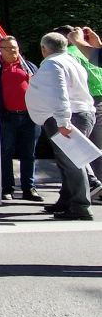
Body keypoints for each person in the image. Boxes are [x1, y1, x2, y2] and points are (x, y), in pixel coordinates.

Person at [26, 33, 96, 220]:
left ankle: (80, 206)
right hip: (80, 113)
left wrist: (63, 122)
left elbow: (59, 93)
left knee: (72, 162)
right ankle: (67, 201)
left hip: (67, 117)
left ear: (44, 48)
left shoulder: (52, 64)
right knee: (67, 162)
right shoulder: (72, 60)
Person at [0, 36, 42, 202]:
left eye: (14, 47)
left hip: (30, 117)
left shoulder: (29, 66)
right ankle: (6, 188)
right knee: (5, 154)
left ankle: (29, 188)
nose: (12, 50)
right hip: (5, 117)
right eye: (7, 48)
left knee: (29, 154)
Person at [53, 25, 102, 199]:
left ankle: (81, 194)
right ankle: (71, 196)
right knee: (95, 149)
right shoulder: (92, 49)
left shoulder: (67, 55)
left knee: (73, 152)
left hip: (79, 104)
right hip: (96, 101)